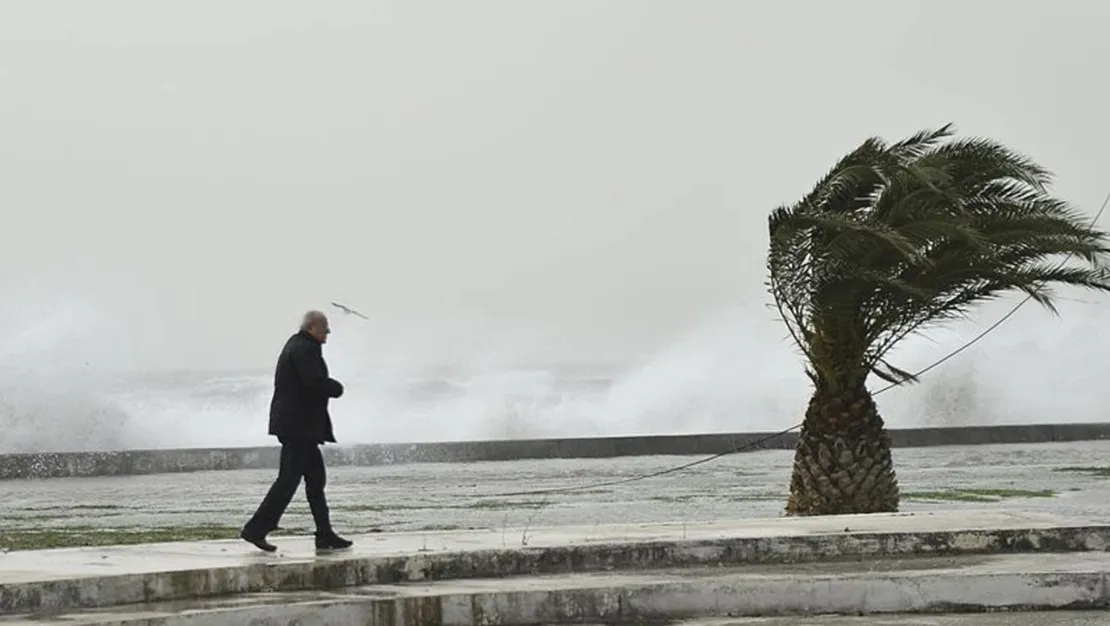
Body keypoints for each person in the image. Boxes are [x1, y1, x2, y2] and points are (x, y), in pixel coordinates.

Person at [240, 310, 353, 552]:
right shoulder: (305, 348)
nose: (328, 332)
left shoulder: (298, 344)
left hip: (299, 428)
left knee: (315, 481)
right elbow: (313, 382)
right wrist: (336, 387)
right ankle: (256, 529)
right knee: (288, 481)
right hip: (298, 428)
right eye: (325, 327)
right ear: (312, 327)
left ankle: (324, 533)